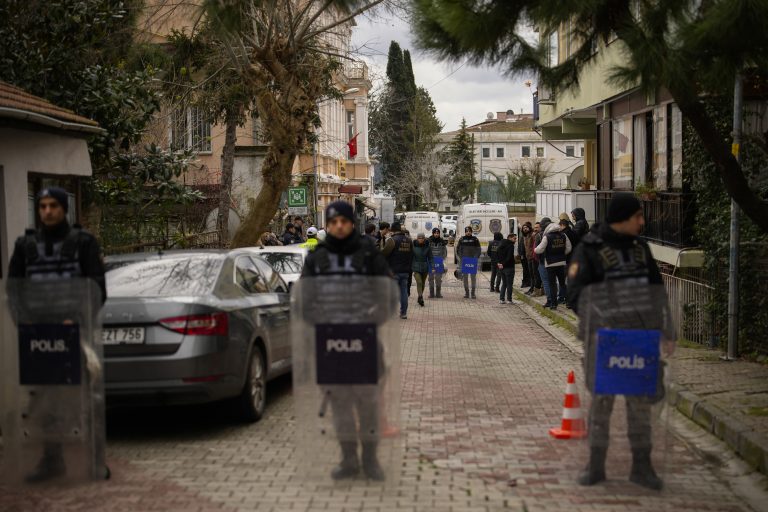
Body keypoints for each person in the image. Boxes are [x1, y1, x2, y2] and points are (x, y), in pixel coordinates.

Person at [568, 193, 668, 490]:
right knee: (602, 405)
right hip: (605, 341)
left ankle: (642, 466)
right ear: (622, 218)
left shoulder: (641, 248)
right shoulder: (590, 248)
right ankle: (596, 465)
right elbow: (575, 295)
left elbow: (656, 291)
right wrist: (601, 323)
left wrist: (664, 331)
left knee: (640, 407)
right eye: (638, 216)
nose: (642, 221)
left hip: (640, 341)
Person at [7, 187, 107, 483]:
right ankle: (52, 461)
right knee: (44, 401)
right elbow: (14, 291)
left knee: (87, 398)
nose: (47, 211)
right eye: (42, 206)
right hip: (38, 337)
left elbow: (97, 289)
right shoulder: (25, 246)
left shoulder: (83, 243)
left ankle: (94, 460)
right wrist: (26, 324)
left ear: (64, 208)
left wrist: (75, 320)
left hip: (75, 334)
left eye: (53, 205)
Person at [300, 200, 391, 481]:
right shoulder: (316, 258)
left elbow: (387, 293)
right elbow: (305, 300)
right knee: (339, 405)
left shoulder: (369, 252)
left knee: (368, 405)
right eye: (333, 221)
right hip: (331, 344)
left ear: (352, 223)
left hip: (364, 340)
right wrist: (322, 323)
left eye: (344, 221)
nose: (339, 226)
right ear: (328, 225)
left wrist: (373, 319)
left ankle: (370, 460)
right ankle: (349, 460)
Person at [534, 220, 572, 309]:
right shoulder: (563, 235)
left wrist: (535, 249)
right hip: (561, 262)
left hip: (550, 264)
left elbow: (540, 249)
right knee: (562, 283)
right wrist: (562, 254)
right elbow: (569, 248)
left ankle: (554, 304)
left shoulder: (547, 237)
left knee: (552, 284)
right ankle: (568, 302)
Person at [381, 222, 413, 319]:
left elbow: (384, 253)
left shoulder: (392, 240)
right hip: (405, 271)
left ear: (392, 230)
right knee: (403, 292)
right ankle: (403, 313)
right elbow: (411, 254)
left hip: (393, 271)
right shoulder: (409, 240)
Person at [456, 226, 481, 299]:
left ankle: (473, 293)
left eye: (469, 231)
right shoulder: (462, 239)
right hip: (464, 261)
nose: (468, 232)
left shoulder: (475, 239)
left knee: (473, 278)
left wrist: (475, 257)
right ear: (465, 232)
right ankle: (466, 293)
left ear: (471, 232)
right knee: (465, 278)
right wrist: (461, 258)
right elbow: (458, 250)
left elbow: (478, 250)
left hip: (473, 261)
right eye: (467, 231)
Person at [411, 233, 433, 307]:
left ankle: (419, 296)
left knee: (423, 283)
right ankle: (420, 297)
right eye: (419, 238)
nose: (421, 239)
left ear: (424, 239)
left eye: (422, 238)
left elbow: (430, 257)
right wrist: (411, 266)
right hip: (416, 267)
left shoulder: (427, 246)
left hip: (425, 267)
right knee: (419, 282)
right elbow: (410, 257)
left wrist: (432, 267)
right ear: (417, 238)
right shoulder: (413, 246)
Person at [497, 232, 518, 304]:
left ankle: (501, 299)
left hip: (501, 267)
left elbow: (497, 254)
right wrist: (503, 263)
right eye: (514, 238)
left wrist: (499, 263)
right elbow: (509, 257)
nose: (515, 240)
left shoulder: (501, 244)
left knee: (504, 283)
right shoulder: (510, 245)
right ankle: (509, 299)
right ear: (509, 238)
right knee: (509, 284)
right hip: (509, 267)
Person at [534, 218, 553, 300]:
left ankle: (550, 299)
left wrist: (538, 259)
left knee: (545, 281)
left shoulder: (540, 235)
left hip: (543, 261)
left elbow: (537, 250)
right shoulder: (558, 233)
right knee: (553, 281)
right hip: (556, 260)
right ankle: (556, 298)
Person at [427, 228, 448, 298]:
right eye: (435, 233)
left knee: (438, 278)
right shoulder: (428, 241)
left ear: (439, 234)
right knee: (431, 278)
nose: (436, 234)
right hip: (431, 262)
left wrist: (442, 259)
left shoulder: (442, 242)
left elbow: (445, 252)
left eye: (437, 233)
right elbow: (427, 251)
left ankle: (438, 293)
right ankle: (431, 293)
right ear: (433, 233)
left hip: (439, 262)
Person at [525, 222, 540, 295]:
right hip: (529, 257)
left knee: (535, 274)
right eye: (535, 227)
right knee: (531, 274)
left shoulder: (534, 235)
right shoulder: (527, 235)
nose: (535, 229)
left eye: (537, 227)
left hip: (534, 257)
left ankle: (534, 288)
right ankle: (531, 288)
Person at [519, 223, 532, 289]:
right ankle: (525, 282)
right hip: (523, 256)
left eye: (526, 227)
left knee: (530, 270)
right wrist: (521, 254)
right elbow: (520, 246)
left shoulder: (531, 236)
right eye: (524, 228)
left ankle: (529, 282)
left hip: (530, 256)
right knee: (525, 270)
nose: (525, 229)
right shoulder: (522, 237)